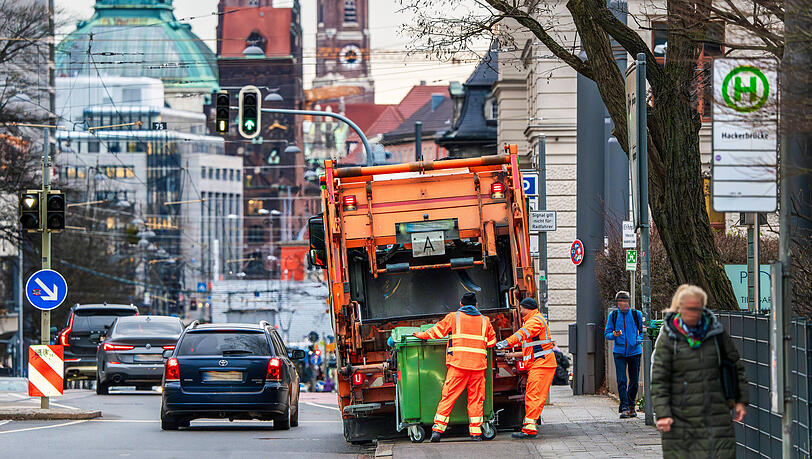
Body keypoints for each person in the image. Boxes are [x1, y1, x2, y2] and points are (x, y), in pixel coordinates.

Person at [651, 284, 749, 459]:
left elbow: (734, 365)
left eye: (698, 309)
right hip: (680, 416)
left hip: (717, 413)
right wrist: (663, 413)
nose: (694, 313)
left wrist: (741, 400)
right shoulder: (669, 337)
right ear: (680, 309)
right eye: (689, 309)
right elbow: (659, 379)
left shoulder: (716, 333)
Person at [412, 292, 497, 442]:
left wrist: (421, 334)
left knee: (449, 397)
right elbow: (491, 342)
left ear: (461, 304)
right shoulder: (485, 321)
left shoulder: (454, 317)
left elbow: (436, 332)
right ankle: (476, 433)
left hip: (458, 366)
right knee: (476, 399)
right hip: (478, 367)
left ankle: (437, 431)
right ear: (476, 305)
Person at [495, 297, 557, 439]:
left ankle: (529, 429)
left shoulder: (534, 321)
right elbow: (531, 350)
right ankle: (529, 427)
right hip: (541, 363)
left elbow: (522, 334)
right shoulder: (535, 319)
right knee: (534, 395)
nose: (520, 310)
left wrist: (505, 343)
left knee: (533, 395)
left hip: (542, 364)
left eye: (521, 308)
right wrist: (512, 355)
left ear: (527, 308)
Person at [604, 291, 644, 418]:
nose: (623, 304)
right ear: (618, 304)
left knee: (634, 381)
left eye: (625, 302)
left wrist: (637, 340)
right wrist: (614, 335)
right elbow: (607, 333)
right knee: (622, 380)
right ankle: (625, 407)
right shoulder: (614, 315)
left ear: (629, 302)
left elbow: (642, 332)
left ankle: (631, 405)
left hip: (634, 351)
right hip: (619, 352)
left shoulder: (636, 314)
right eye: (621, 302)